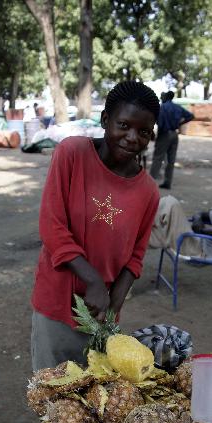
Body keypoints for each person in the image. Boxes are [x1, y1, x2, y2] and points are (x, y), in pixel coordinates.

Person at [31, 81, 160, 371]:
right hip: (57, 304)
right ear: (105, 120)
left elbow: (135, 258)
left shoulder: (149, 191)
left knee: (95, 405)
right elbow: (52, 226)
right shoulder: (72, 154)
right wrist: (93, 281)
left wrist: (113, 306)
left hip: (101, 315)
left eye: (143, 132)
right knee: (54, 402)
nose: (131, 138)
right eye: (123, 125)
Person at [150, 91, 193, 190]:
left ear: (165, 97)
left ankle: (151, 182)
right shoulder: (177, 107)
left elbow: (157, 121)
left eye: (162, 96)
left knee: (157, 158)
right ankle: (167, 182)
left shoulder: (162, 107)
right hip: (174, 134)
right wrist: (179, 124)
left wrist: (153, 133)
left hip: (164, 134)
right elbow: (190, 116)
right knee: (171, 160)